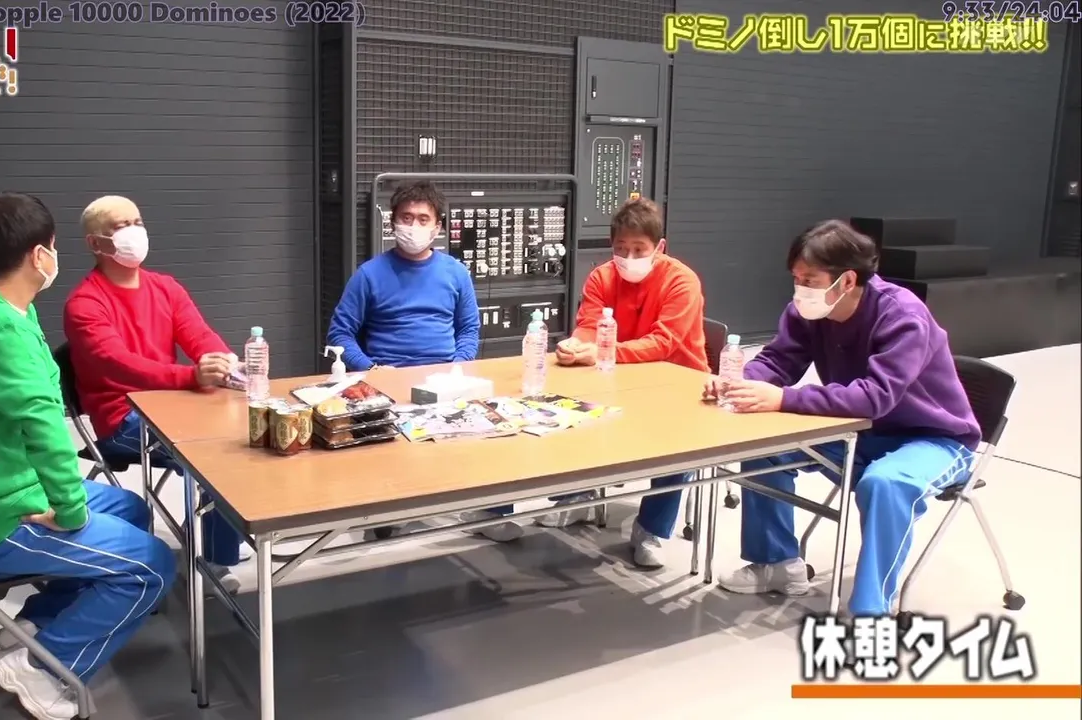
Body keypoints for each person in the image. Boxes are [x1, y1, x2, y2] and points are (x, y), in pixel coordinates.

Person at [0, 192, 175, 720]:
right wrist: (71, 511)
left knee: (131, 509)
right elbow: (44, 426)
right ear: (39, 255)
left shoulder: (3, 309)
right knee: (152, 566)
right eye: (54, 248)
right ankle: (44, 668)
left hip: (3, 485)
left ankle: (39, 622)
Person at [708, 219, 980, 617]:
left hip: (932, 438)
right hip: (857, 429)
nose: (800, 290)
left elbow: (875, 396)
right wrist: (738, 382)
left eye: (810, 280)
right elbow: (779, 360)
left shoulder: (902, 315)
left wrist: (784, 398)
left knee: (886, 483)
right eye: (796, 279)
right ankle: (776, 562)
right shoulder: (808, 311)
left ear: (847, 280)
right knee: (764, 445)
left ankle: (871, 607)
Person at [63, 195, 251, 594]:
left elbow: (198, 334)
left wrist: (224, 363)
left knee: (242, 434)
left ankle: (213, 536)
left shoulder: (165, 287)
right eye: (120, 227)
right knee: (208, 455)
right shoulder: (84, 304)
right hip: (121, 418)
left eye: (137, 221)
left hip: (172, 404)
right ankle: (209, 559)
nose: (134, 232)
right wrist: (191, 376)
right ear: (95, 243)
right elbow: (120, 365)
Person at [326, 181, 521, 543]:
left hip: (446, 378)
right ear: (392, 223)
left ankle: (487, 512)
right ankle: (392, 512)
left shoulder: (456, 273)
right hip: (388, 381)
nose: (413, 226)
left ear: (438, 227)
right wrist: (371, 370)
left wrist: (459, 368)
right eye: (405, 218)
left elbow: (468, 329)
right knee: (395, 451)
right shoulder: (369, 274)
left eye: (422, 218)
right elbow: (340, 334)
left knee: (498, 430)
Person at [542, 197, 709, 569]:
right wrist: (577, 345)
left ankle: (652, 529)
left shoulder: (681, 281)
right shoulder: (602, 276)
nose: (628, 257)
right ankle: (580, 496)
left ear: (659, 247)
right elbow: (588, 325)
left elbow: (664, 343)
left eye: (639, 250)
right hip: (616, 377)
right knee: (573, 411)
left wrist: (603, 352)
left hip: (677, 383)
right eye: (621, 249)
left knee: (676, 441)